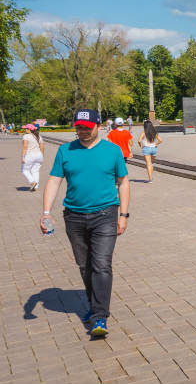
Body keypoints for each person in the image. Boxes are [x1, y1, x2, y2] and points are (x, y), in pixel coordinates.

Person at [40, 108, 129, 338]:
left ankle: (100, 316)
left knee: (101, 264)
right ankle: (93, 303)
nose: (82, 132)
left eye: (87, 128)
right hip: (74, 216)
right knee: (85, 265)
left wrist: (124, 214)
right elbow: (53, 181)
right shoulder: (65, 150)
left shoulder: (113, 151)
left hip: (105, 214)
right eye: (78, 127)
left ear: (98, 126)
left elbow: (123, 182)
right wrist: (46, 212)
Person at [20, 123, 44, 191]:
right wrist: (41, 156)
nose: (24, 130)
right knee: (35, 171)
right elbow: (42, 147)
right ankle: (35, 187)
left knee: (24, 170)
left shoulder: (26, 136)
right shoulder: (38, 136)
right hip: (39, 155)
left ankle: (32, 182)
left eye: (26, 129)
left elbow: (25, 147)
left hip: (30, 155)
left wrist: (23, 157)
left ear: (29, 129)